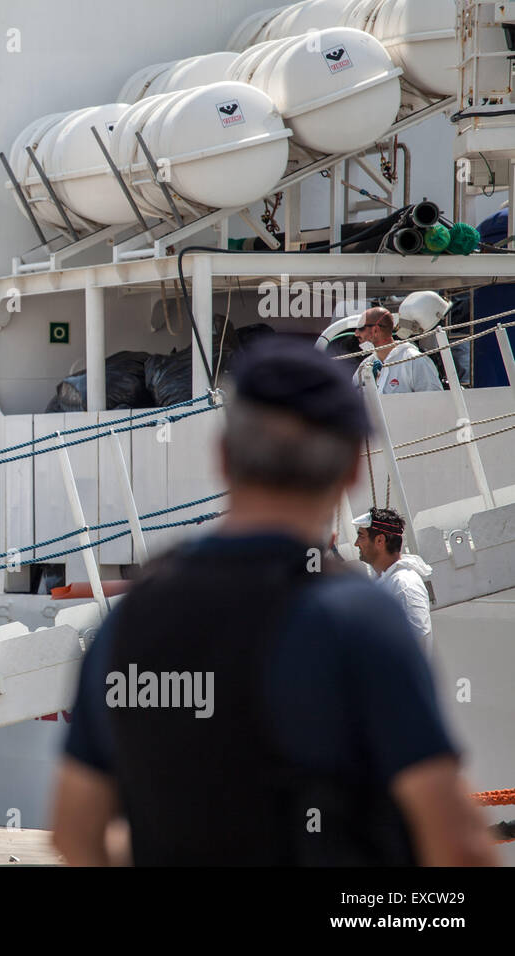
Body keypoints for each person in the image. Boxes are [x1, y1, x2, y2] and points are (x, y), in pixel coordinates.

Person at [52, 339, 495, 866]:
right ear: (353, 468)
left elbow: (74, 833)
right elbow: (456, 845)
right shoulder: (361, 622)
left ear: (223, 457)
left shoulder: (132, 619)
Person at [354, 508, 434, 654]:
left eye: (361, 536)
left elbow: (418, 644)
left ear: (379, 540)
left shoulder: (404, 585)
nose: (356, 543)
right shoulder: (383, 580)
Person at [352, 306, 443, 393]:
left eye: (361, 328)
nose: (356, 333)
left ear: (376, 330)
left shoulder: (414, 360)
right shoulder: (365, 366)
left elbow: (434, 400)